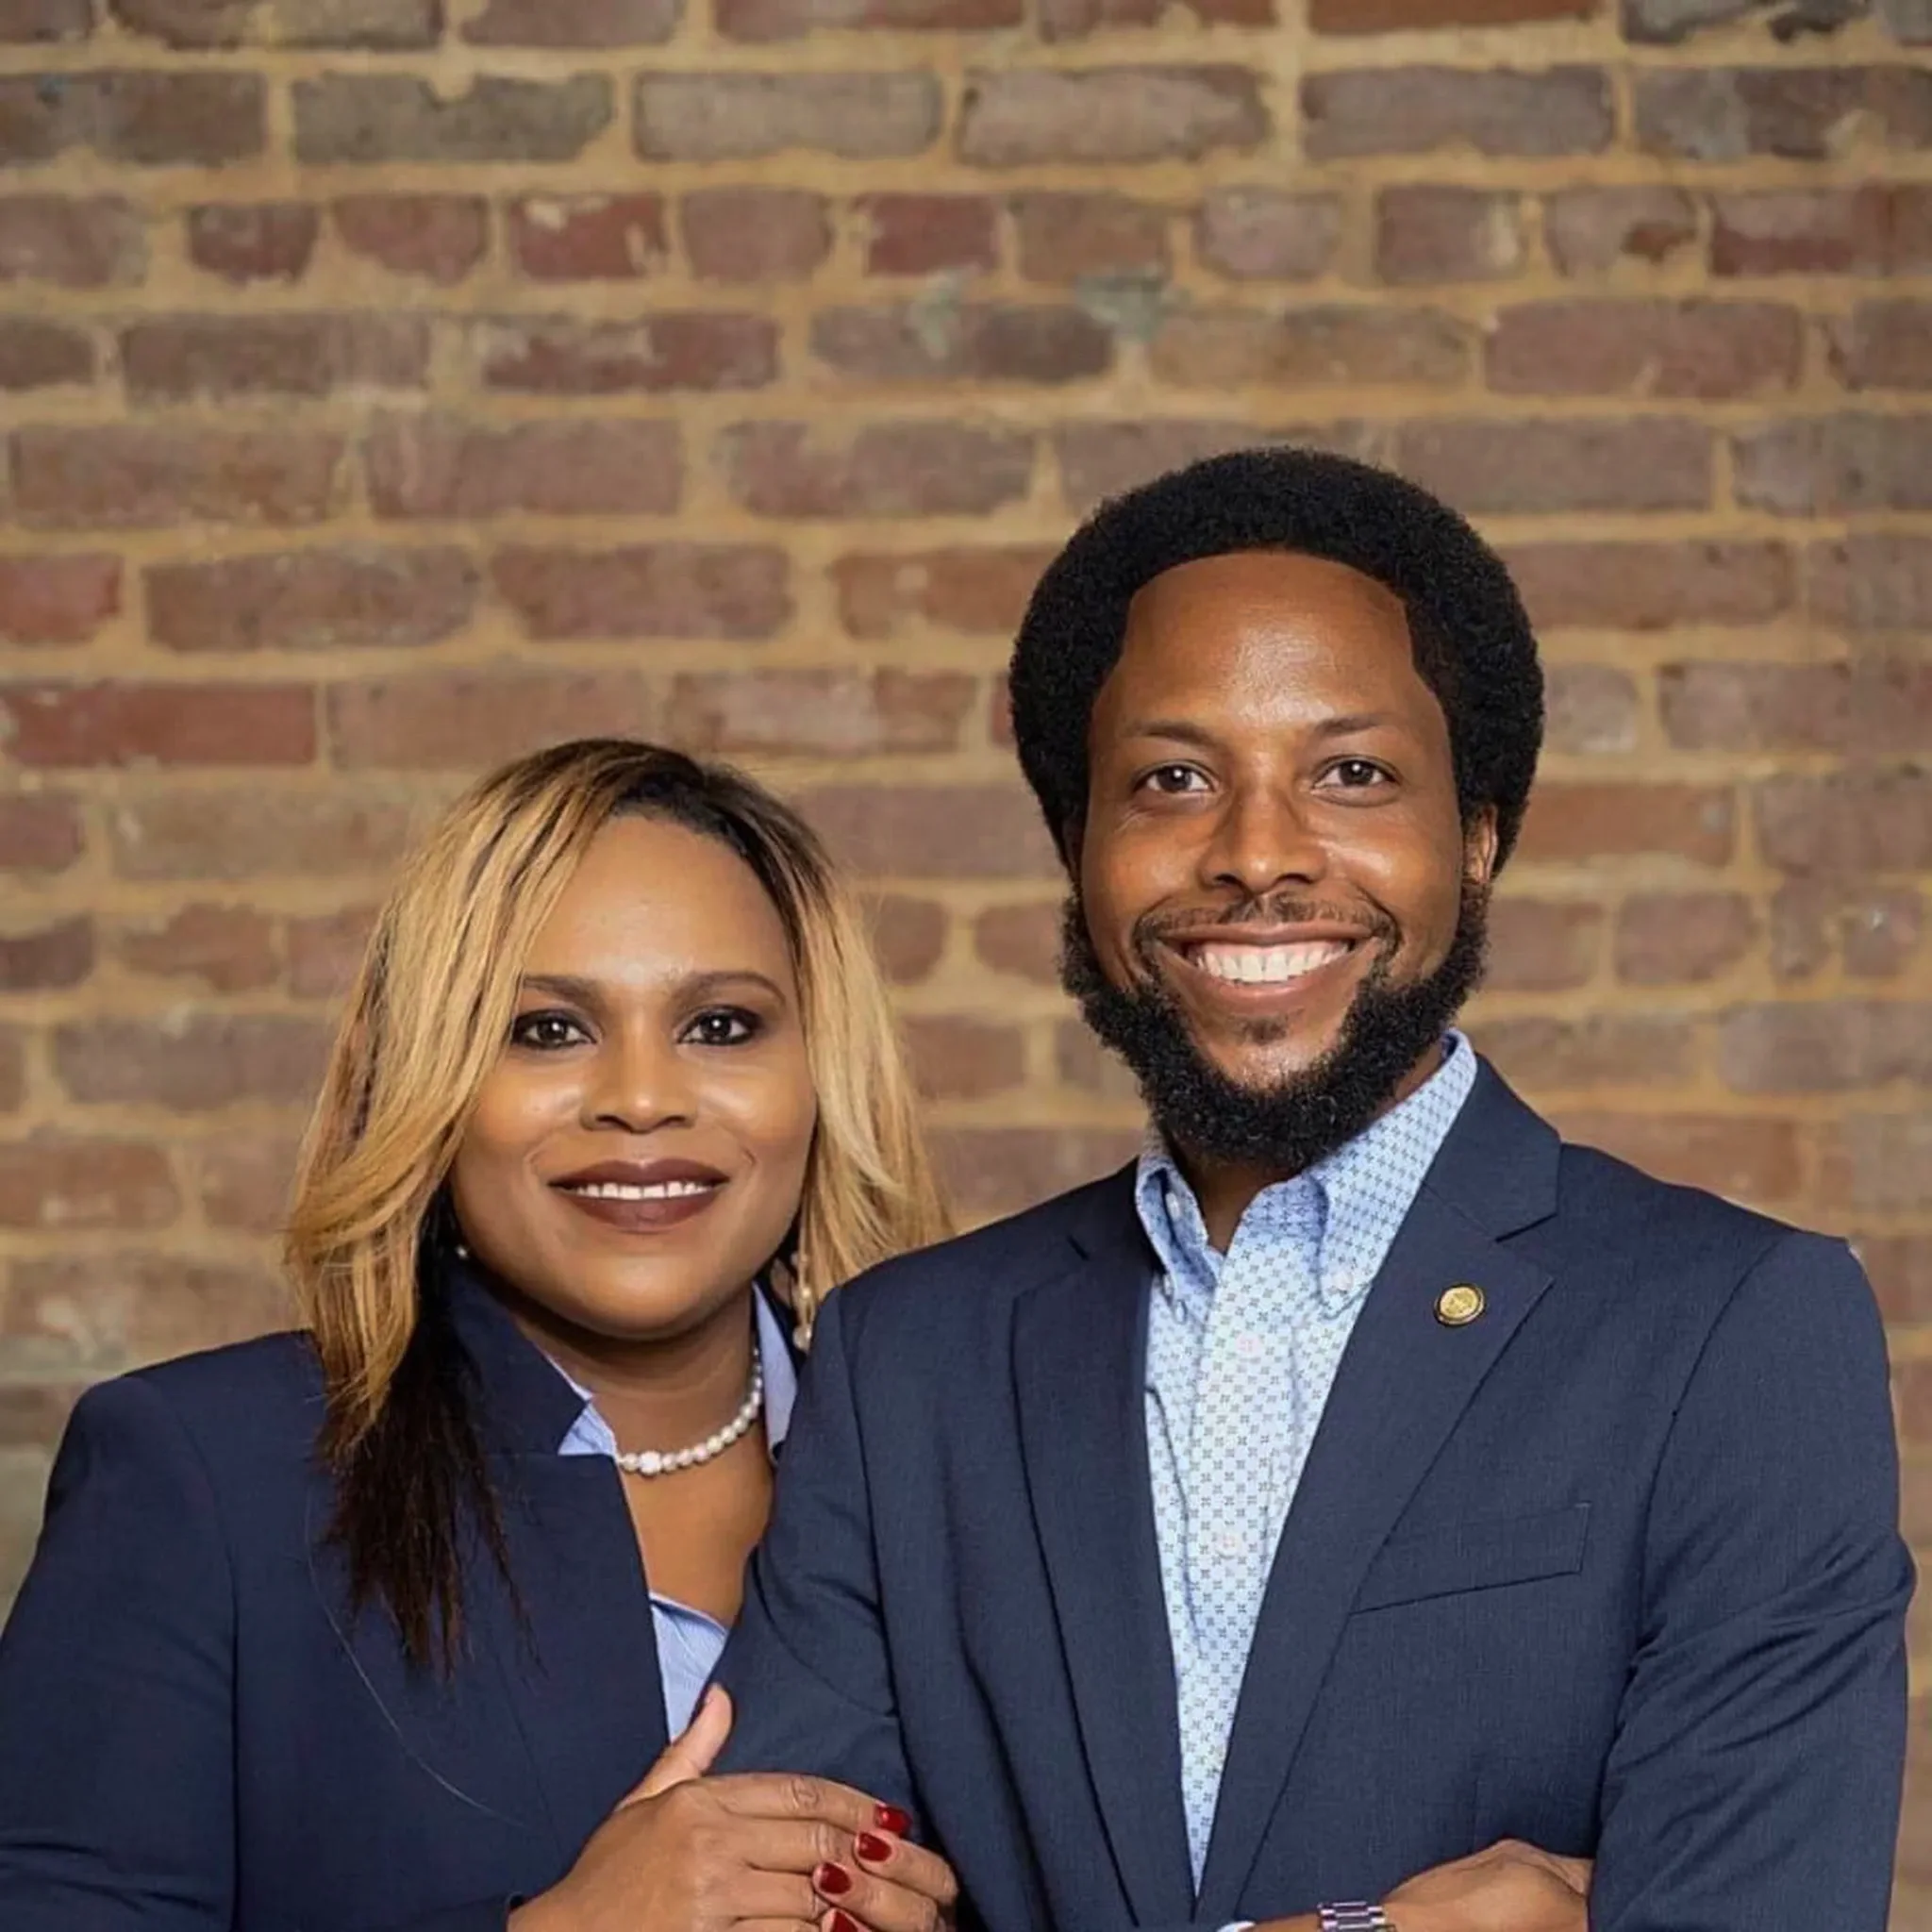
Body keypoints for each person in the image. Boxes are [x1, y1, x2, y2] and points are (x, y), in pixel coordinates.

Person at [714, 449, 1913, 1932]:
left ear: (1479, 835)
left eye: (1352, 774)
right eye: (1174, 780)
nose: (1258, 855)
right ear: (1078, 850)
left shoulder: (1732, 1329)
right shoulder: (910, 1360)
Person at [0, 739, 960, 1932]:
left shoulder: (967, 1478)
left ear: (821, 1072)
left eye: (720, 1023)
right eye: (547, 1029)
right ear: (431, 1077)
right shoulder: (204, 1476)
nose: (642, 1097)